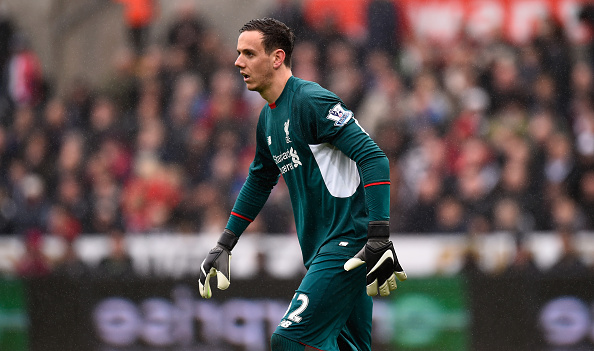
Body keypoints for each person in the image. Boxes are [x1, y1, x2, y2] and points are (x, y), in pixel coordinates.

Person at [198, 18, 407, 351]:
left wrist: (378, 234)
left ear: (277, 58)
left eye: (249, 53)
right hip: (320, 249)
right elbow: (259, 179)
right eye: (239, 53)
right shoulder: (268, 116)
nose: (239, 62)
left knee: (288, 338)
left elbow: (375, 158)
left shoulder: (311, 101)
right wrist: (225, 243)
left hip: (346, 243)